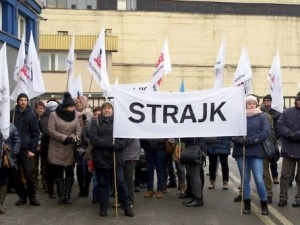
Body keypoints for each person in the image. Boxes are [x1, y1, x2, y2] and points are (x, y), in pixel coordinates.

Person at [89, 101, 134, 217]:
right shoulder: (96, 121)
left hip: (116, 157)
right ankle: (103, 208)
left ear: (113, 110)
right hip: (102, 158)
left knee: (120, 183)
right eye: (105, 108)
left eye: (109, 108)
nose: (107, 110)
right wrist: (107, 144)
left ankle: (127, 207)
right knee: (104, 184)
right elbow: (93, 138)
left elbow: (126, 137)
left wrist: (119, 145)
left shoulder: (119, 122)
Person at [232, 95, 270, 215]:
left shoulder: (261, 116)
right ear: (245, 105)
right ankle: (247, 203)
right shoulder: (239, 117)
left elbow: (265, 133)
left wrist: (250, 140)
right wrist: (238, 140)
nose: (251, 105)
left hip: (256, 151)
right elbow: (231, 132)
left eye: (253, 103)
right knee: (245, 179)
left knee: (259, 179)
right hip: (241, 152)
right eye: (249, 103)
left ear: (256, 104)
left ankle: (264, 204)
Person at [47, 92, 81, 205]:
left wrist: (73, 138)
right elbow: (51, 130)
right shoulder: (53, 115)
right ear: (66, 106)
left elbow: (78, 130)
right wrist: (63, 138)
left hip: (70, 148)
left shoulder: (75, 116)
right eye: (71, 106)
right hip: (57, 148)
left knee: (70, 172)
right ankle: (61, 195)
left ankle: (68, 195)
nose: (73, 108)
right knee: (59, 172)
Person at [10, 93, 41, 206]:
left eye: (25, 100)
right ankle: (22, 196)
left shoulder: (32, 115)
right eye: (21, 100)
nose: (23, 102)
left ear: (27, 102)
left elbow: (35, 133)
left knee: (29, 173)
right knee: (15, 174)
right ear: (18, 101)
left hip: (25, 148)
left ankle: (32, 196)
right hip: (13, 148)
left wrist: (32, 149)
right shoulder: (12, 114)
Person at [276, 91, 300, 207]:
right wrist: (290, 134)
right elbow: (279, 126)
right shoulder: (287, 112)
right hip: (289, 149)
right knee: (285, 175)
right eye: (299, 100)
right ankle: (283, 197)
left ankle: (299, 198)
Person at [261, 94, 282, 184]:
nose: (266, 102)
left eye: (268, 100)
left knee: (273, 157)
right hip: (263, 138)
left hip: (272, 138)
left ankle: (275, 176)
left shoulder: (276, 114)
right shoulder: (260, 112)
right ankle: (265, 177)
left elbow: (278, 127)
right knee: (263, 159)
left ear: (271, 101)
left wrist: (276, 137)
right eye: (265, 100)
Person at [40, 100, 59, 198]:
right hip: (48, 147)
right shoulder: (45, 118)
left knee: (57, 169)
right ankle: (50, 189)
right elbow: (46, 132)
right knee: (49, 170)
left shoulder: (58, 116)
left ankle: (57, 188)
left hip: (57, 146)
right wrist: (59, 134)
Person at [0, 124, 21, 214]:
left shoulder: (10, 126)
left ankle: (0, 203)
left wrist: (12, 152)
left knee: (4, 180)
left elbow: (17, 140)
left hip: (6, 159)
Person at [75, 95, 93, 198]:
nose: (78, 104)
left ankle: (86, 187)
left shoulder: (89, 113)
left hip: (87, 144)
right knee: (80, 167)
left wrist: (86, 120)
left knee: (87, 167)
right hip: (77, 143)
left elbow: (91, 128)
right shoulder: (73, 114)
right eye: (76, 102)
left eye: (80, 102)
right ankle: (81, 188)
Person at [180, 137, 207, 207]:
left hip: (196, 150)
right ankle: (195, 196)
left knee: (195, 174)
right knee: (191, 173)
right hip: (195, 149)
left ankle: (198, 197)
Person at [32, 101, 46, 191]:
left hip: (44, 146)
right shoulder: (32, 118)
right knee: (33, 167)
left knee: (44, 167)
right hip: (33, 146)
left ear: (44, 109)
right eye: (38, 108)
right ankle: (34, 183)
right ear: (35, 109)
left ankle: (45, 184)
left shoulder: (47, 119)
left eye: (41, 108)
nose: (39, 110)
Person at [123, 139, 141, 208]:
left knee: (128, 178)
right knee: (121, 178)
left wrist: (118, 144)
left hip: (131, 155)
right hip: (121, 153)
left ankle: (129, 200)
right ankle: (122, 198)